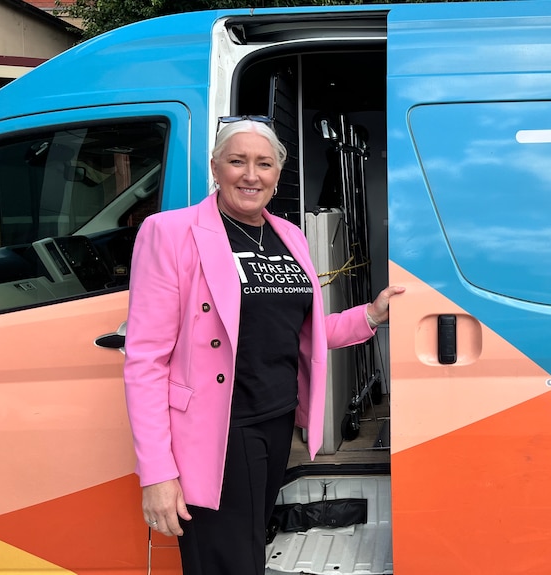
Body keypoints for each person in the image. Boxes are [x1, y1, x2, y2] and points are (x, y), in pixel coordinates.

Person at [123, 116, 403, 575]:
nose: (250, 175)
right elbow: (145, 361)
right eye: (237, 161)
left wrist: (370, 315)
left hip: (274, 422)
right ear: (215, 167)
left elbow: (300, 331)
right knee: (228, 562)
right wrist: (157, 472)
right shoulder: (170, 232)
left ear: (278, 173)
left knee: (248, 547)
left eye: (264, 164)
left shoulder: (289, 236)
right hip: (218, 431)